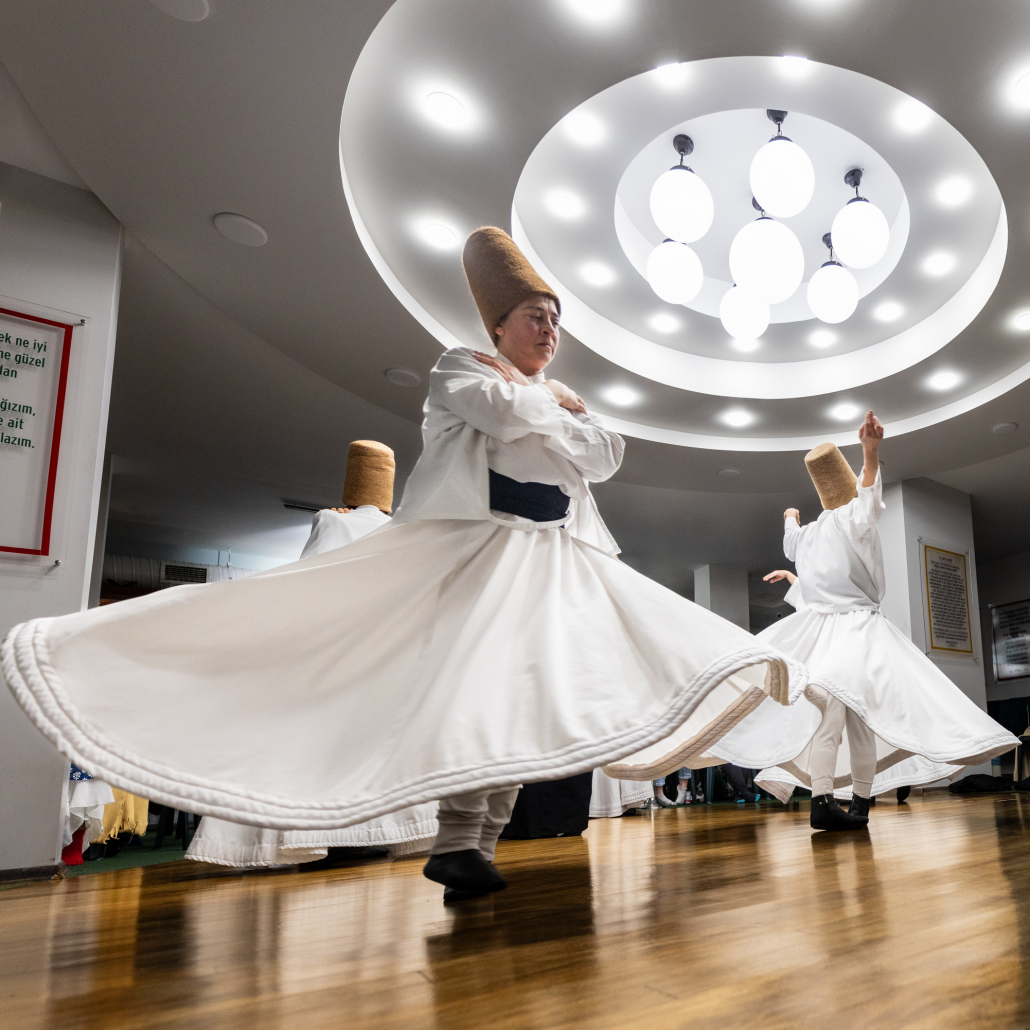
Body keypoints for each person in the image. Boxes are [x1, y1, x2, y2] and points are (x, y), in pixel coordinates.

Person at [2, 227, 799, 903]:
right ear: (499, 326)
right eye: (535, 317)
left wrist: (558, 413)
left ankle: (473, 848)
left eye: (556, 322)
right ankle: (458, 839)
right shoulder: (460, 367)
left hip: (552, 564)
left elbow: (606, 455)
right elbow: (502, 414)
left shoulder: (548, 393)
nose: (549, 332)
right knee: (478, 697)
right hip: (479, 553)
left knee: (529, 705)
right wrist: (555, 408)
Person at [709, 411, 1018, 831]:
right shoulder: (851, 517)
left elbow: (794, 545)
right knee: (855, 720)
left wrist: (789, 518)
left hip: (821, 633)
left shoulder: (809, 533)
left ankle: (833, 802)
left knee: (838, 717)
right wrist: (870, 452)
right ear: (847, 486)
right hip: (856, 631)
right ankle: (851, 803)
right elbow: (868, 495)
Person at [185, 441, 439, 869]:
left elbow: (309, 583)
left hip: (334, 649)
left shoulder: (333, 521)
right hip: (385, 655)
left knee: (306, 741)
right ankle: (375, 831)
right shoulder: (407, 530)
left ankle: (314, 833)